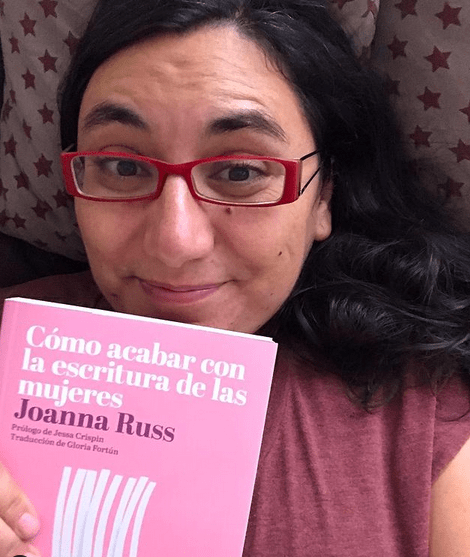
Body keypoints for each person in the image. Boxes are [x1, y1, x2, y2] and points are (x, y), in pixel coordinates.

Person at [1, 0, 470, 555]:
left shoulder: (425, 407)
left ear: (324, 194)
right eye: (123, 167)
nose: (176, 244)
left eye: (240, 172)